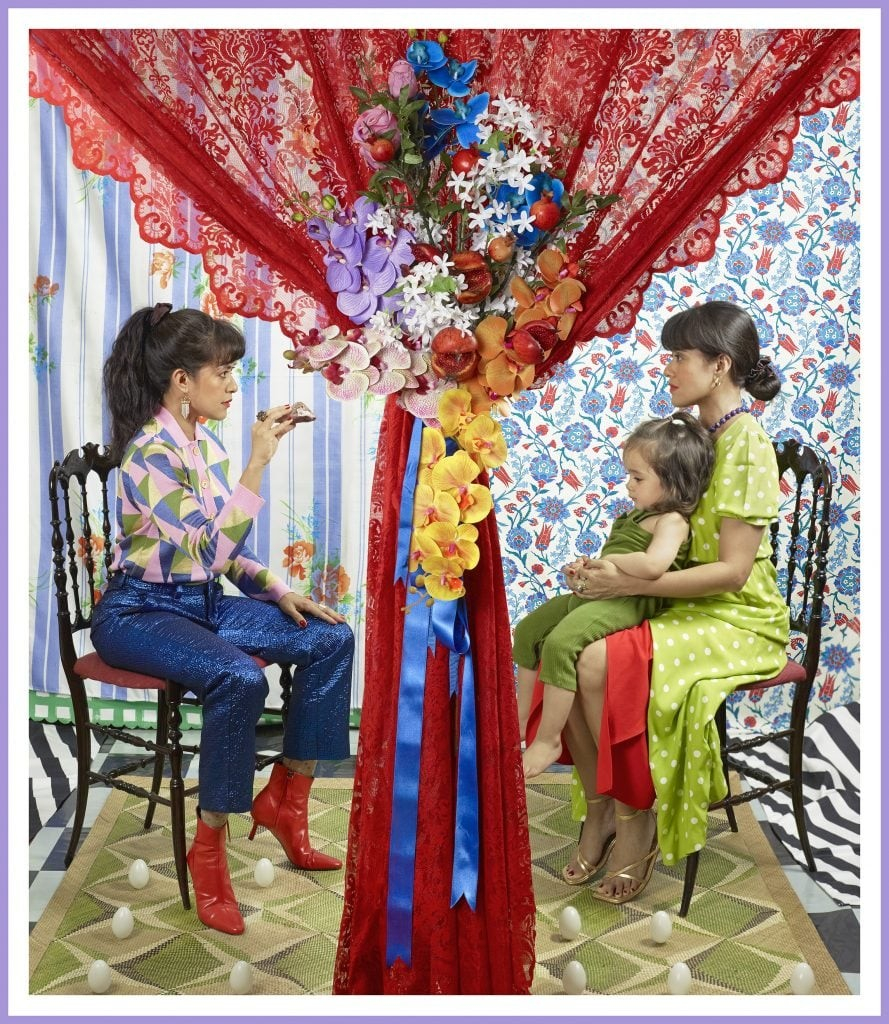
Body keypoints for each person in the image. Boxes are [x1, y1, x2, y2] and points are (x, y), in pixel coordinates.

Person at [91, 303, 354, 935]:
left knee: (329, 637)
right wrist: (258, 463)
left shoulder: (196, 444)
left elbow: (225, 556)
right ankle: (208, 852)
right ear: (182, 380)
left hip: (199, 606)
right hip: (139, 613)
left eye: (234, 371)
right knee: (239, 679)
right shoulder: (149, 455)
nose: (233, 386)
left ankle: (288, 803)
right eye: (224, 372)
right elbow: (209, 549)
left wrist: (278, 591)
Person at [558, 300, 787, 905]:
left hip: (739, 619)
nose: (667, 368)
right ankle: (601, 806)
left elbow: (735, 574)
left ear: (719, 365)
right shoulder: (696, 436)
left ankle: (637, 822)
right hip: (684, 604)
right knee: (572, 647)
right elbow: (660, 531)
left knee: (602, 662)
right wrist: (609, 567)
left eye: (679, 357)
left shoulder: (747, 444)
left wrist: (630, 584)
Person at [513, 413, 715, 792]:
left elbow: (654, 566)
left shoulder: (672, 521)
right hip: (608, 592)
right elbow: (613, 563)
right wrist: (584, 571)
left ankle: (548, 739)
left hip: (633, 601)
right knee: (528, 631)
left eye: (638, 478)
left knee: (562, 643)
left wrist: (609, 564)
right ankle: (520, 722)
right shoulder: (637, 516)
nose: (628, 485)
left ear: (674, 481)